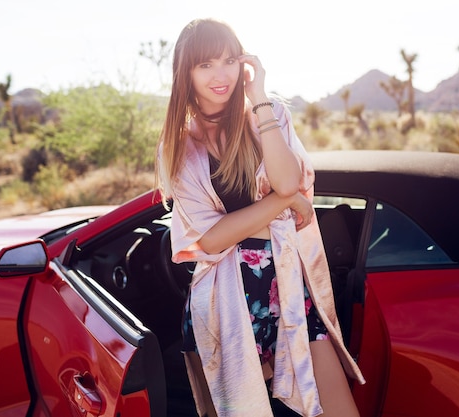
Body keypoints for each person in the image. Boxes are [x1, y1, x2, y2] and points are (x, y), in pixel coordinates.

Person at [156, 18, 365, 417]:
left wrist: (260, 95)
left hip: (287, 288)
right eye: (205, 65)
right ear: (186, 72)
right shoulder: (181, 144)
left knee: (340, 410)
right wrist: (284, 206)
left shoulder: (268, 116)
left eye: (229, 60)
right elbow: (211, 240)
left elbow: (288, 180)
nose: (221, 75)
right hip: (225, 301)